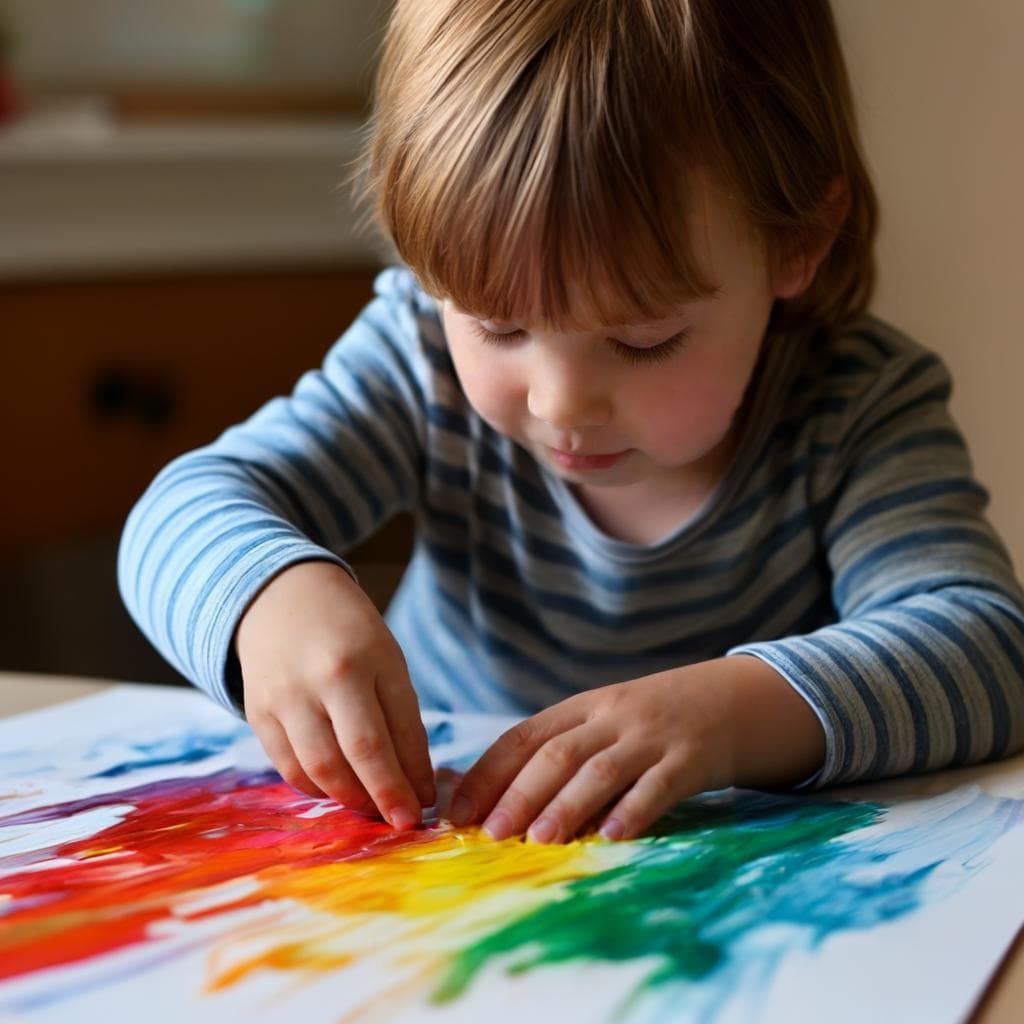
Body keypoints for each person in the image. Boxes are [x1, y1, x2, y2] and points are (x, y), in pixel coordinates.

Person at [118, 0, 1024, 846]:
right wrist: (269, 599)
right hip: (436, 860)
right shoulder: (418, 356)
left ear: (797, 243)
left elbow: (985, 648)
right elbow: (181, 510)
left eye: (643, 340)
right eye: (498, 325)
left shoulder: (856, 406)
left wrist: (727, 719)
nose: (559, 404)